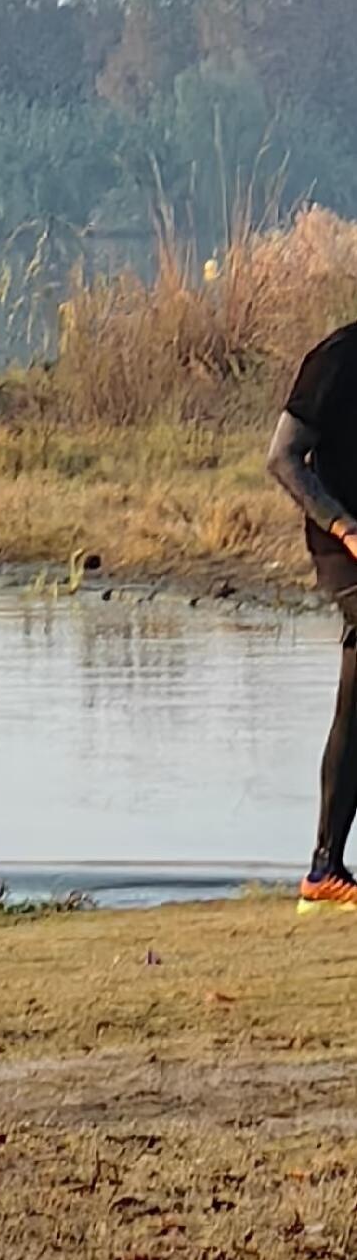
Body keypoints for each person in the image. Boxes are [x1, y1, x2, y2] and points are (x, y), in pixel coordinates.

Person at [267, 320, 357, 908]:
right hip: (341, 546)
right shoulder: (339, 358)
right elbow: (283, 458)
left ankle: (325, 869)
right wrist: (344, 527)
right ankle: (325, 865)